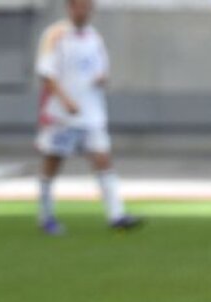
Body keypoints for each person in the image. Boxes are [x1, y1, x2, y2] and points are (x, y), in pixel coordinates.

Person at [34, 0, 140, 236]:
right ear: (69, 7)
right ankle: (46, 216)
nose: (82, 11)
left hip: (92, 114)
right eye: (78, 6)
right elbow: (46, 73)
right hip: (63, 116)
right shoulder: (55, 35)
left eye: (86, 7)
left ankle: (117, 215)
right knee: (52, 164)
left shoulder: (94, 37)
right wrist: (64, 100)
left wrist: (102, 78)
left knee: (103, 159)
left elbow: (102, 70)